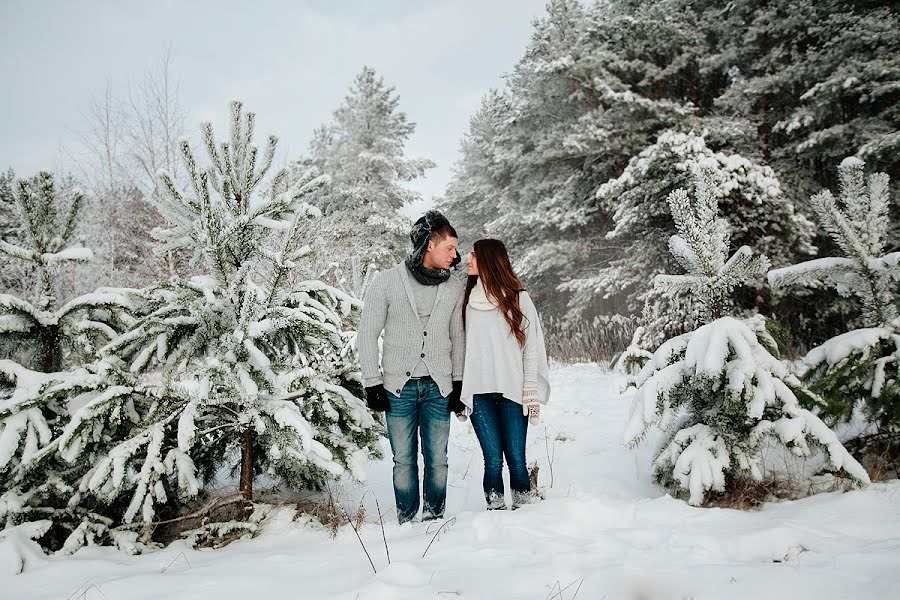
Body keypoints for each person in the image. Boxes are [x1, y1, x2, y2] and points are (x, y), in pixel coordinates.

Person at [357, 210, 467, 524]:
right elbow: (367, 333)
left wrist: (458, 383)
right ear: (430, 244)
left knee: (437, 461)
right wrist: (372, 381)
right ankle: (406, 522)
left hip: (438, 387)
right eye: (449, 248)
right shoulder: (387, 282)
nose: (454, 255)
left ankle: (433, 519)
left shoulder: (454, 287)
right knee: (403, 461)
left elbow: (457, 337)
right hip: (397, 388)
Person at [460, 238, 550, 510]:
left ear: (488, 259)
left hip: (512, 390)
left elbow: (531, 347)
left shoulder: (518, 297)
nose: (467, 259)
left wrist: (530, 391)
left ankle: (524, 510)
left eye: (473, 255)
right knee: (492, 460)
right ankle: (495, 511)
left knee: (516, 459)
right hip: (479, 392)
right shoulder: (467, 298)